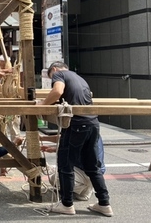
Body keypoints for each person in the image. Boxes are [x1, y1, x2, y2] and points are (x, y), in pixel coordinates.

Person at [40, 61, 112, 217]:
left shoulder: (59, 74)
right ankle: (104, 203)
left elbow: (57, 92)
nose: (53, 79)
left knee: (65, 164)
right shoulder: (79, 78)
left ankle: (67, 204)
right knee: (92, 166)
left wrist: (42, 105)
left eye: (51, 77)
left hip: (77, 123)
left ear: (54, 69)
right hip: (93, 123)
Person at [41, 134, 106, 201]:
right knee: (61, 172)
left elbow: (68, 143)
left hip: (87, 172)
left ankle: (84, 190)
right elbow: (67, 139)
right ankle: (86, 188)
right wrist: (43, 139)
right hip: (91, 170)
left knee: (56, 179)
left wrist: (54, 148)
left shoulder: (81, 130)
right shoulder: (92, 129)